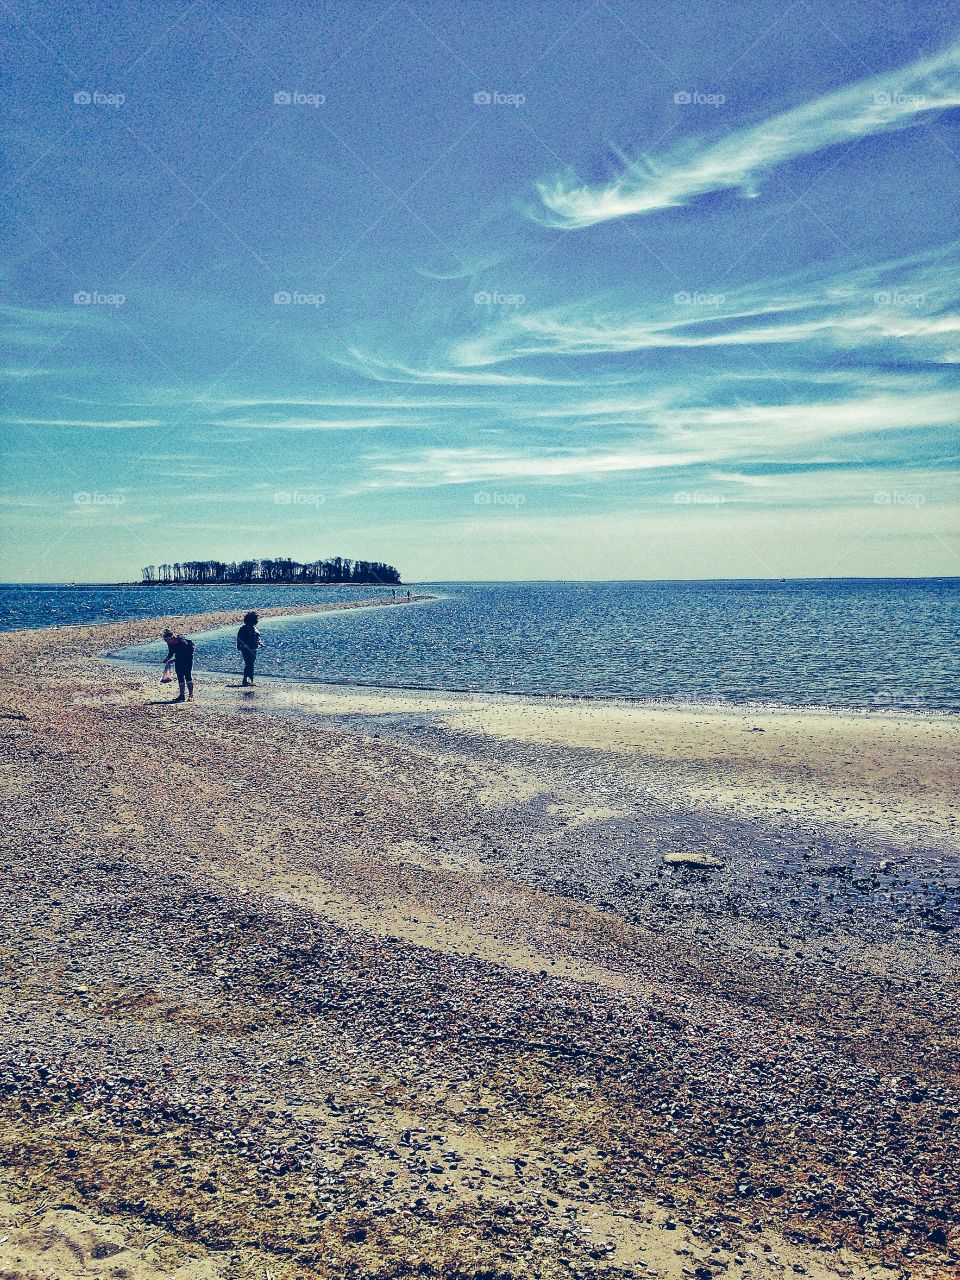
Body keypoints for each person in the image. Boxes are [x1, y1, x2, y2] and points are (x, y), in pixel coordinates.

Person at [161, 629, 194, 702]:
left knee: (188, 677)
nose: (167, 642)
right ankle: (182, 696)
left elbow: (185, 655)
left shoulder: (182, 642)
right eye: (165, 641)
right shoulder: (170, 643)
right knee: (180, 677)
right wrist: (167, 659)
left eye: (168, 641)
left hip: (187, 659)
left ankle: (191, 695)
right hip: (179, 659)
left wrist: (174, 660)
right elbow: (171, 651)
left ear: (172, 638)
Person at [237, 610, 262, 686]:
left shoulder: (254, 628)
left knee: (251, 664)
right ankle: (245, 679)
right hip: (246, 649)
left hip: (253, 648)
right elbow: (239, 638)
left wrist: (259, 643)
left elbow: (257, 638)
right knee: (249, 664)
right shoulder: (243, 629)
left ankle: (250, 679)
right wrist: (240, 645)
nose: (257, 621)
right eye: (255, 620)